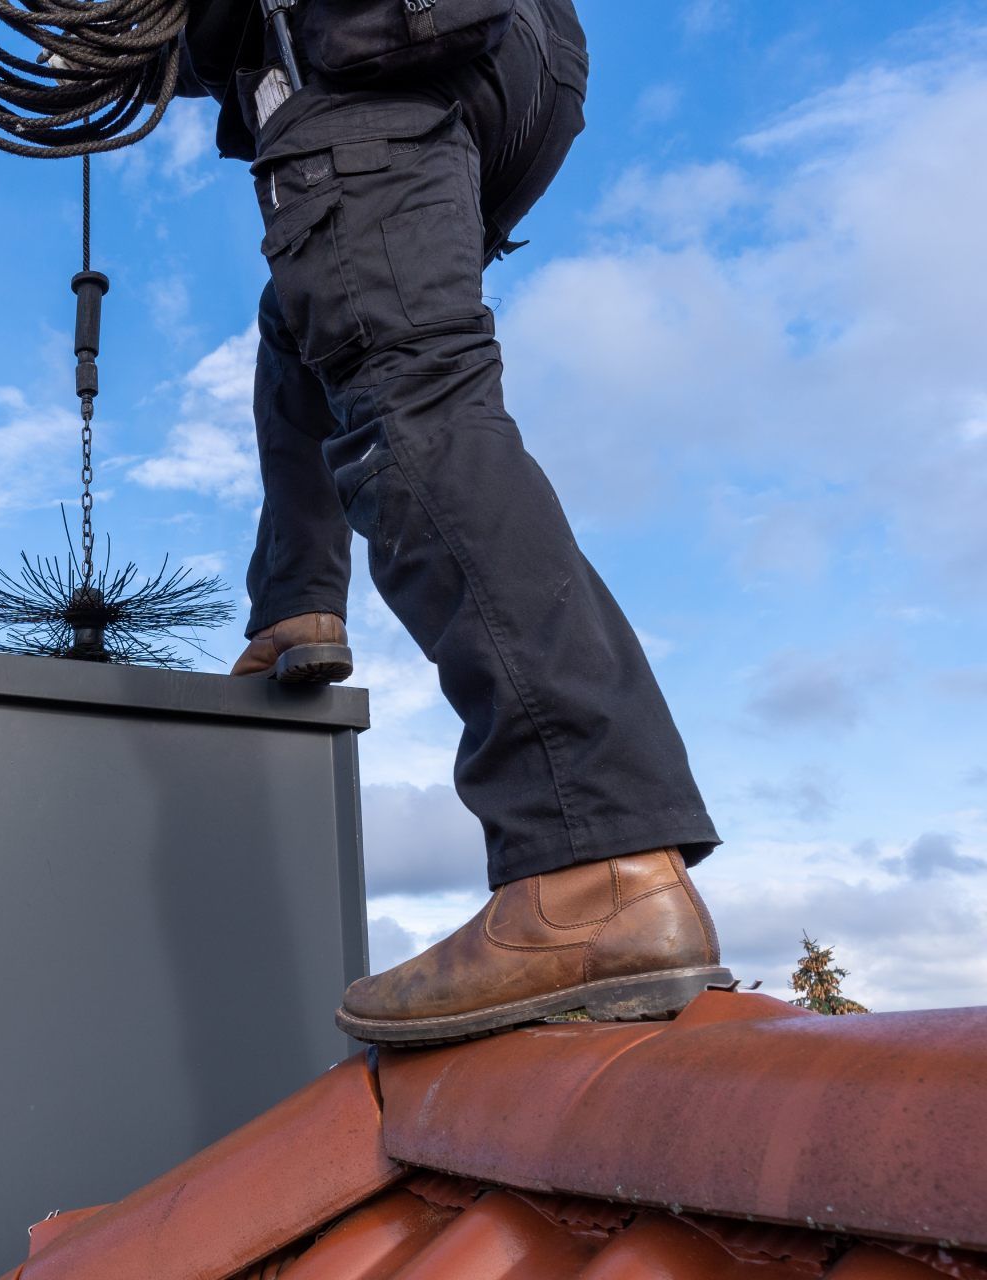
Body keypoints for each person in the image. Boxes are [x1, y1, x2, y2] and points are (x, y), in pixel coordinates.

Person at [183, 0, 732, 1045]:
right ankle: (297, 599)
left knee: (408, 394)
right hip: (513, 53)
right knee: (310, 311)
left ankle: (594, 864)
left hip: (358, 39)